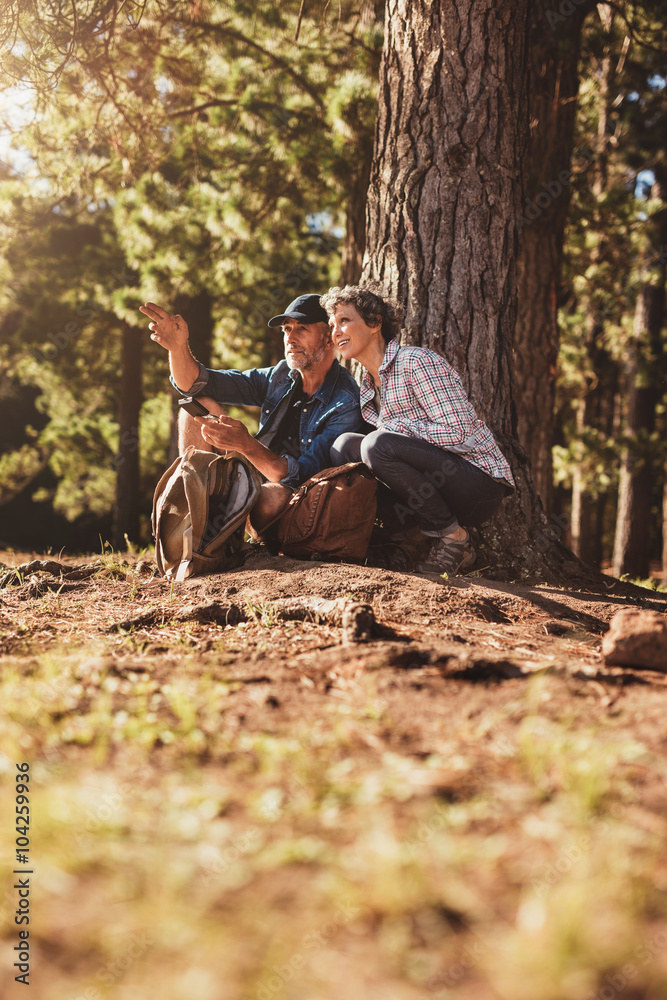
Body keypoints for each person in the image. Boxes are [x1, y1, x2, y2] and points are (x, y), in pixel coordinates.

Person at [322, 284, 515, 576]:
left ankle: (455, 538)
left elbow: (460, 434)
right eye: (332, 325)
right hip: (433, 489)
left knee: (377, 444)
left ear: (375, 323)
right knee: (344, 446)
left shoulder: (415, 362)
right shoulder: (366, 386)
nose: (335, 331)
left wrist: (395, 428)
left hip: (477, 485)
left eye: (344, 320)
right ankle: (404, 539)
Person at [140, 293, 363, 534]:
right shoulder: (279, 376)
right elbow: (198, 383)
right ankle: (194, 526)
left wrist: (246, 445)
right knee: (197, 409)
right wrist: (177, 348)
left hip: (298, 496)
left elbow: (303, 476)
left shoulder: (346, 401)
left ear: (329, 339)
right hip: (253, 481)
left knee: (269, 500)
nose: (290, 337)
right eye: (287, 329)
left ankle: (218, 524)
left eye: (302, 329)